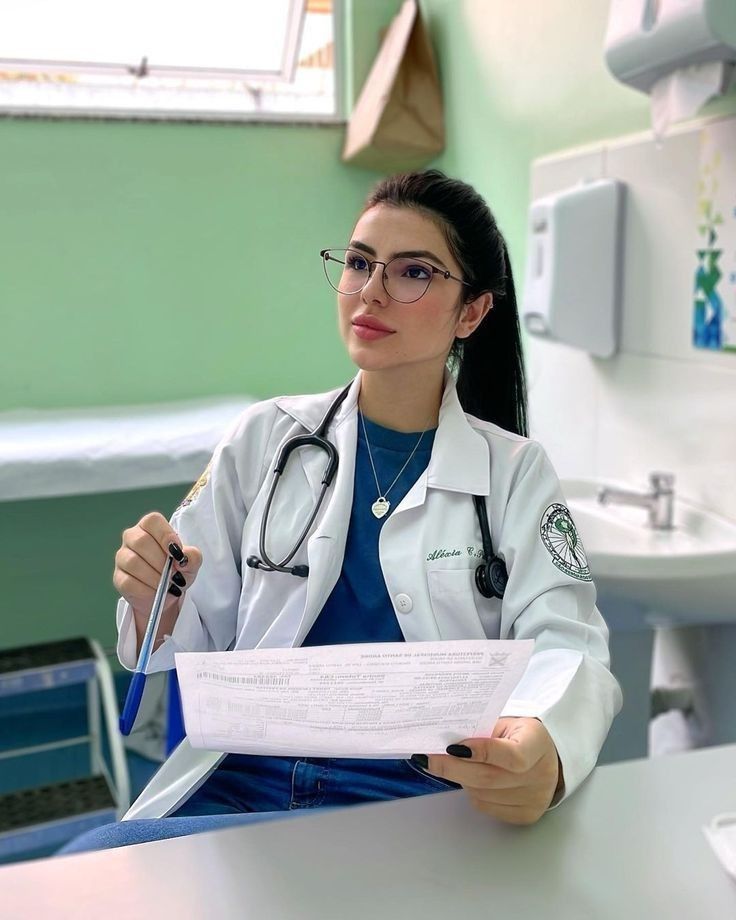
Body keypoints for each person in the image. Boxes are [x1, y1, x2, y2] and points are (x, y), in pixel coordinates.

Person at [56, 169, 621, 856]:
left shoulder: (514, 472)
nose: (371, 291)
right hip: (241, 789)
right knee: (83, 869)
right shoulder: (264, 440)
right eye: (359, 263)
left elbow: (569, 640)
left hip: (408, 809)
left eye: (413, 272)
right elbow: (186, 638)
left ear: (470, 312)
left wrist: (546, 748)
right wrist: (156, 603)